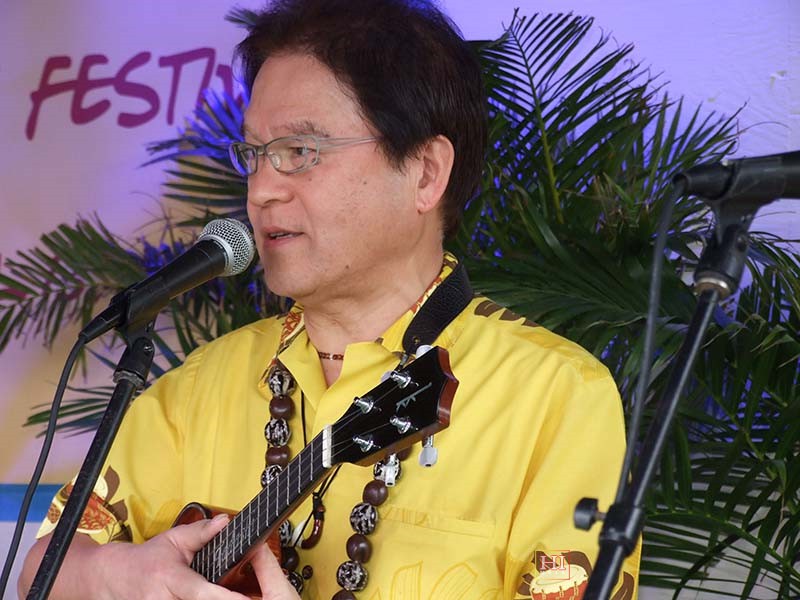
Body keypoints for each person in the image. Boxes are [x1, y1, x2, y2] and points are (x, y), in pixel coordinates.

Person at [19, 0, 640, 598]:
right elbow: (43, 570)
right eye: (255, 155)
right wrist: (123, 578)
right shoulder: (197, 388)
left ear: (425, 173)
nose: (261, 190)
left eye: (300, 152)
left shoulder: (555, 398)